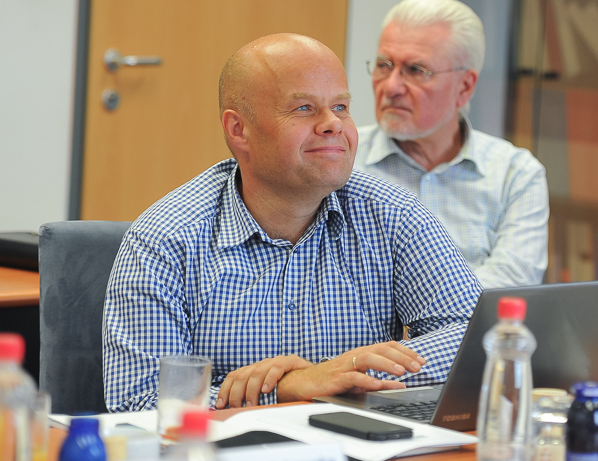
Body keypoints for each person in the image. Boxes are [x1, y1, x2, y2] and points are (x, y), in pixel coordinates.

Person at [102, 33, 482, 412]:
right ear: (239, 130)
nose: (332, 124)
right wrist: (289, 389)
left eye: (341, 107)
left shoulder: (393, 214)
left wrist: (341, 375)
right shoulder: (165, 239)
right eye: (303, 108)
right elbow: (140, 403)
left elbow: (475, 339)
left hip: (358, 452)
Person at [355, 0, 549, 289]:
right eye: (384, 65)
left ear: (465, 86)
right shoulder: (341, 159)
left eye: (416, 70)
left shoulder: (515, 173)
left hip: (472, 337)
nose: (391, 86)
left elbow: (513, 282)